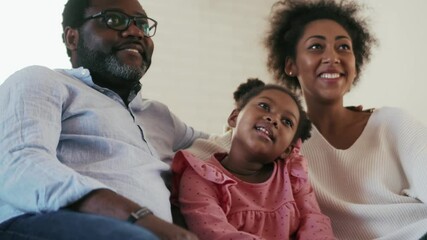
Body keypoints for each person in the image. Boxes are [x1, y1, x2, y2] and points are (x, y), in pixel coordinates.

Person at [187, 0, 427, 239]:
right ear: (291, 65)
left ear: (355, 64)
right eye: (316, 47)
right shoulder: (282, 142)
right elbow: (205, 152)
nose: (332, 57)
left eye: (343, 47)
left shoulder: (393, 123)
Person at [0, 0, 207, 239]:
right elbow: (18, 164)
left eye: (142, 24)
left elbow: (229, 146)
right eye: (114, 19)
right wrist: (140, 219)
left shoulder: (161, 117)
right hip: (39, 223)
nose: (135, 32)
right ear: (72, 38)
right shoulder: (42, 81)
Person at [171, 78, 335, 239]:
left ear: (287, 150)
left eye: (287, 121)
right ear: (234, 118)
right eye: (264, 106)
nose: (274, 119)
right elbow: (215, 233)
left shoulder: (292, 176)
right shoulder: (200, 177)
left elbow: (315, 221)